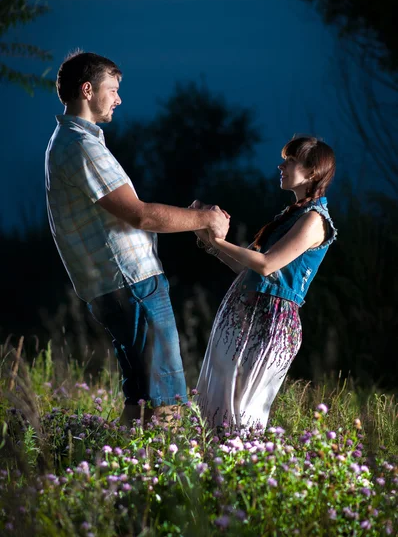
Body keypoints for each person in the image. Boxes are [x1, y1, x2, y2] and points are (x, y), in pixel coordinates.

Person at [45, 50, 230, 425]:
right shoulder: (81, 146)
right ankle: (167, 480)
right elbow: (140, 213)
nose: (118, 99)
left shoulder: (65, 143)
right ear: (87, 90)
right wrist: (204, 219)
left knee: (141, 397)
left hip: (112, 285)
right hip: (132, 283)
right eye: (111, 90)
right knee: (168, 401)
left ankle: (125, 478)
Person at [194, 134, 337, 429]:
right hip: (245, 313)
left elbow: (267, 264)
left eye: (290, 161)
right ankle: (213, 472)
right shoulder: (291, 216)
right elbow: (248, 269)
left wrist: (217, 238)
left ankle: (241, 472)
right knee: (215, 404)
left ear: (312, 172)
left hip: (271, 320)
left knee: (243, 413)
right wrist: (209, 240)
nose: (280, 166)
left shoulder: (314, 221)